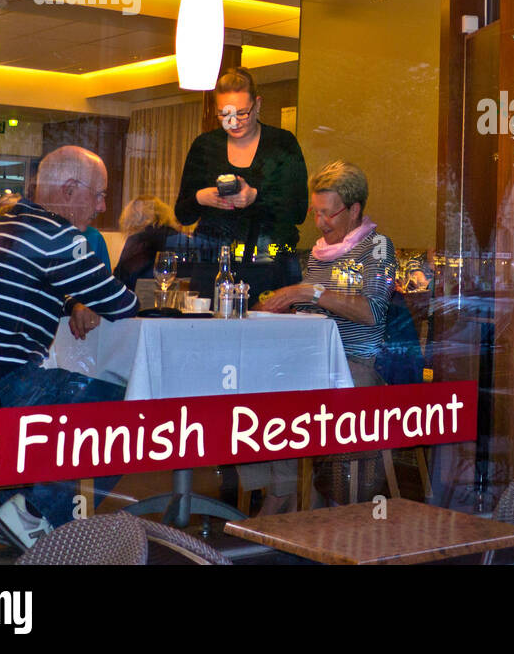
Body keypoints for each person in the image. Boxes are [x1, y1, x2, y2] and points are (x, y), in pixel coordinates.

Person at [0, 146, 139, 552]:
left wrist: (75, 301)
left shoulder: (1, 225)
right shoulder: (57, 235)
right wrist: (85, 299)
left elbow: (34, 286)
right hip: (6, 382)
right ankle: (33, 514)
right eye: (98, 194)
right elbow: (123, 303)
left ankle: (7, 507)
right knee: (124, 407)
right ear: (70, 189)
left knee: (71, 391)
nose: (102, 205)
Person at [254, 161, 396, 511]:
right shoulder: (320, 253)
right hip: (317, 359)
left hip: (361, 362)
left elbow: (372, 311)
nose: (319, 224)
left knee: (317, 393)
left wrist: (311, 293)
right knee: (259, 387)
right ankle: (285, 491)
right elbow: (316, 313)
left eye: (328, 215)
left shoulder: (377, 247)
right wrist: (287, 309)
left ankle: (316, 501)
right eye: (314, 213)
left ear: (355, 209)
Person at [174, 67, 308, 269]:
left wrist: (255, 196)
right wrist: (202, 197)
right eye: (224, 114)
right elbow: (183, 214)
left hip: (270, 260)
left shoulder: (281, 143)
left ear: (258, 105)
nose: (233, 122)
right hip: (213, 260)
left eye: (242, 113)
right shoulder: (205, 145)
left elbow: (298, 210)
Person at [114, 196, 182, 289]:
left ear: (132, 217)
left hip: (141, 297)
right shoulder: (177, 236)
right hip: (174, 296)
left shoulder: (137, 240)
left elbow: (121, 278)